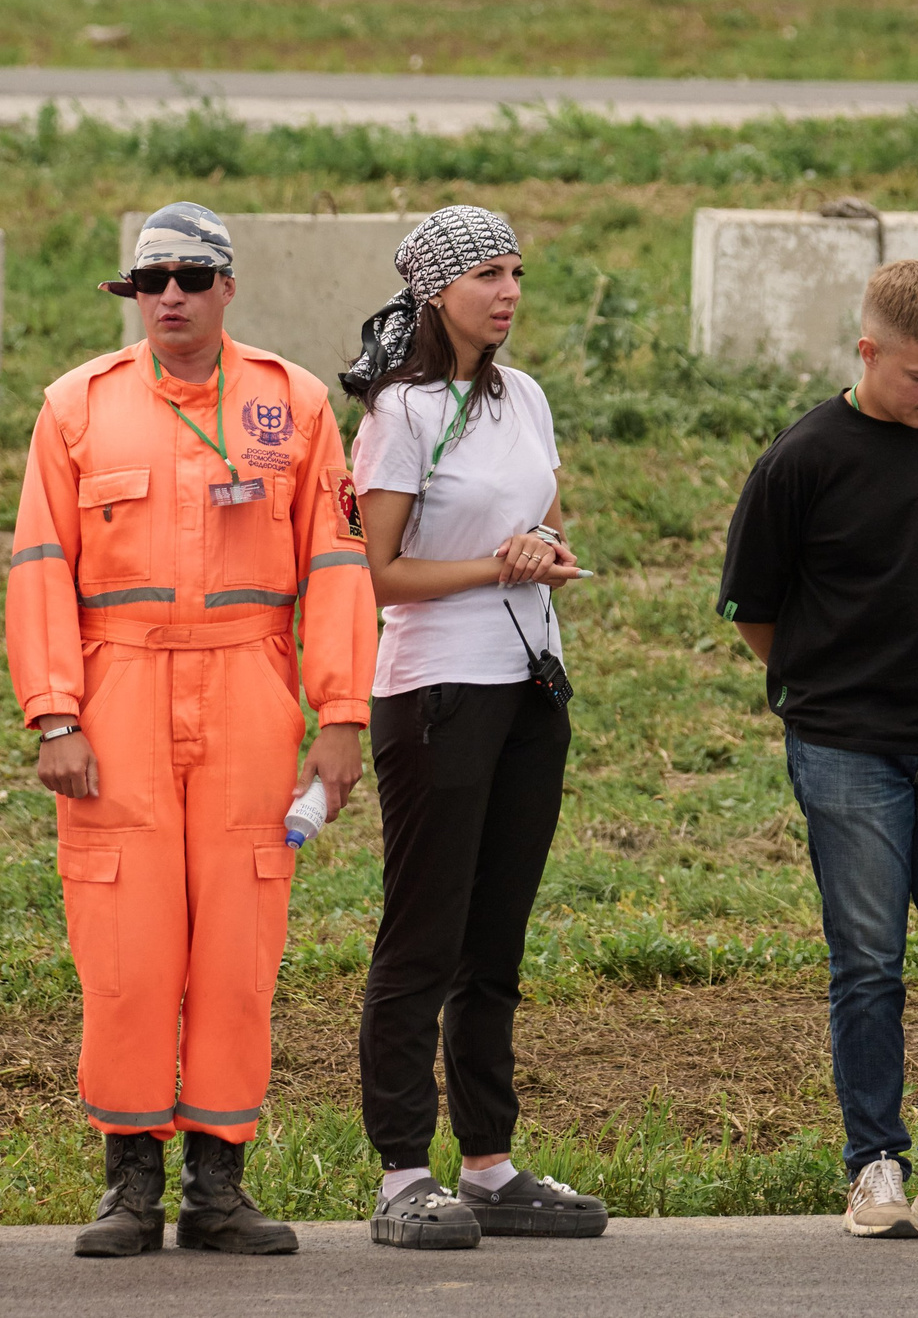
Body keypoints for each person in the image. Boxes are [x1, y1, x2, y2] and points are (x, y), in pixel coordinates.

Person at [5, 203, 376, 1258]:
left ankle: (219, 1180)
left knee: (238, 943)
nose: (170, 294)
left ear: (227, 287)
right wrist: (55, 712)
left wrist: (340, 713)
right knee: (124, 944)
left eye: (191, 275)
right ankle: (130, 1181)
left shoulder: (295, 403)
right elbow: (39, 567)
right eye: (151, 279)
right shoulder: (74, 406)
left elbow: (338, 565)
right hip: (116, 688)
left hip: (249, 687)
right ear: (132, 295)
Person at [717, 259, 918, 1241]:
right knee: (868, 961)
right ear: (867, 352)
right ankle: (873, 1161)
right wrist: (826, 688)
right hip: (847, 748)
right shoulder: (802, 458)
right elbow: (753, 611)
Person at [345, 207, 608, 1251]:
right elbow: (385, 571)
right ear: (435, 290)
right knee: (423, 938)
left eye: (514, 271)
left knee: (495, 939)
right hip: (434, 691)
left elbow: (536, 514)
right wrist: (500, 562)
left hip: (527, 685)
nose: (507, 290)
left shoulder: (526, 394)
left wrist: (542, 547)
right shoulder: (400, 410)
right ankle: (403, 1170)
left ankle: (490, 1162)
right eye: (486, 274)